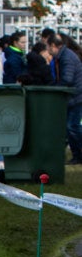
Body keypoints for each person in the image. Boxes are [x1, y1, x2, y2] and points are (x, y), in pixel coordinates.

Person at [47, 34, 82, 165]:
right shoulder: (64, 55)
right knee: (71, 127)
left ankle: (78, 155)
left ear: (53, 46)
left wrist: (55, 87)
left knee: (72, 126)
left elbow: (67, 79)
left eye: (48, 46)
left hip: (75, 96)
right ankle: (77, 155)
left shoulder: (66, 57)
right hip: (74, 95)